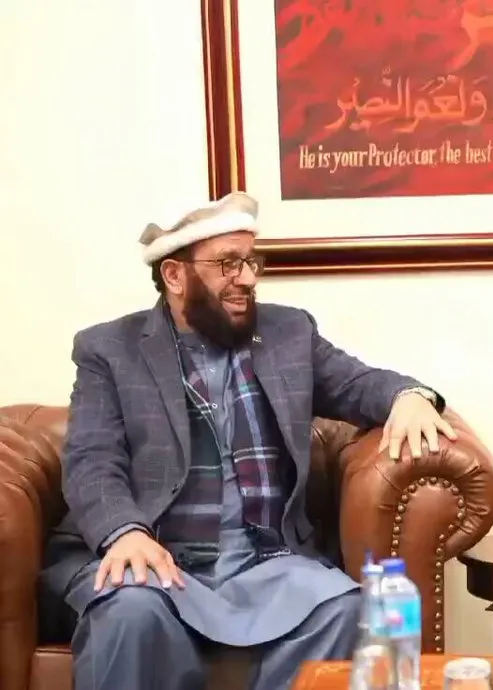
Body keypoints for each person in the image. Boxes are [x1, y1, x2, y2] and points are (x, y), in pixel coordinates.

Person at [40, 191, 459, 690]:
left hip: (263, 560)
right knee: (131, 612)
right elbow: (92, 459)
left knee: (346, 611)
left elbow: (358, 383)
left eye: (250, 261)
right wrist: (124, 532)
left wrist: (409, 397)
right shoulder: (110, 349)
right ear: (174, 275)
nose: (247, 278)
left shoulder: (288, 332)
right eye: (228, 264)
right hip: (155, 553)